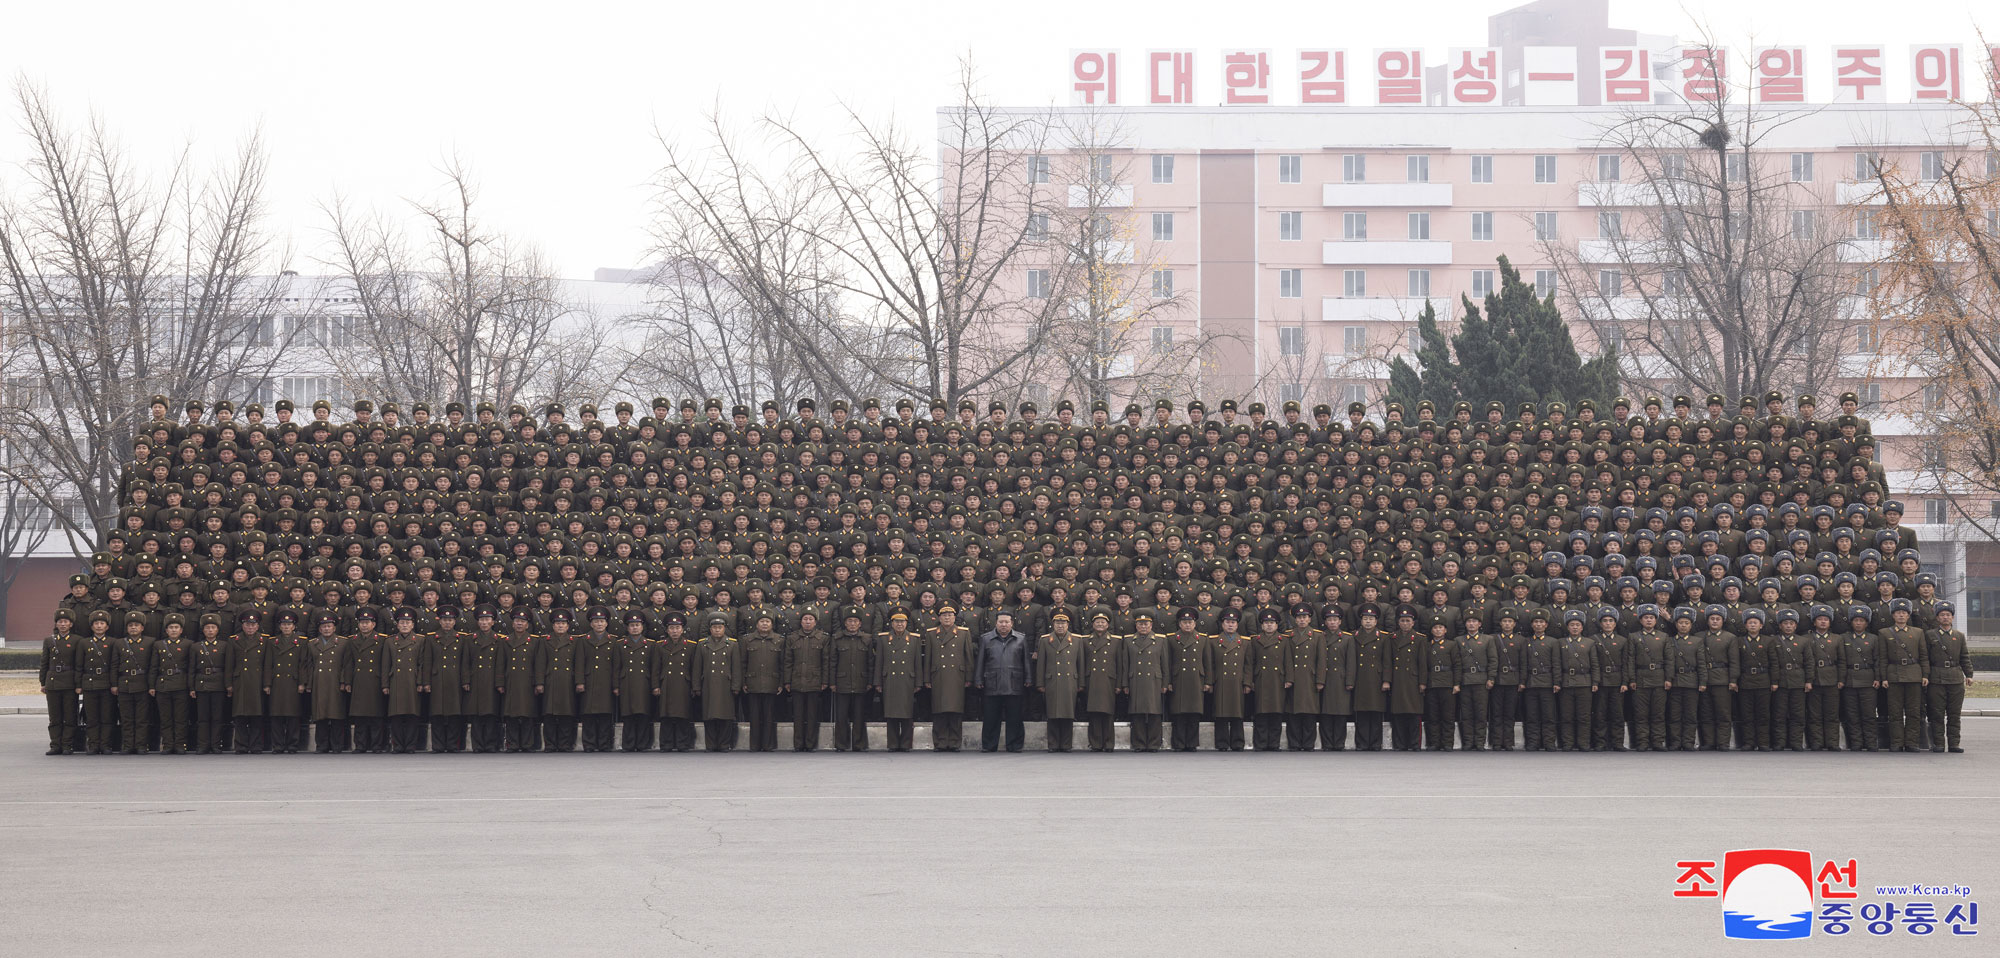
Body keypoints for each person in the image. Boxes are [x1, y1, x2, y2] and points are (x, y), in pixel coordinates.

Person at [922, 606, 974, 752]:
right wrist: (927, 678)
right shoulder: (932, 634)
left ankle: (954, 742)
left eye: (950, 615)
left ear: (954, 617)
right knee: (939, 711)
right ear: (939, 617)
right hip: (938, 676)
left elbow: (968, 657)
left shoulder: (963, 633)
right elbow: (928, 659)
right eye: (944, 615)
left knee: (955, 711)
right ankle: (940, 742)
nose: (947, 618)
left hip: (957, 676)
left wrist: (969, 677)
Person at [1924, 603, 1972, 753]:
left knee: (1954, 714)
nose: (1945, 617)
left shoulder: (1959, 636)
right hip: (1936, 678)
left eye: (1948, 615)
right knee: (1936, 713)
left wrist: (1969, 674)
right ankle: (1938, 743)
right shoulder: (1930, 635)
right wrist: (1925, 675)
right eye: (1942, 615)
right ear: (1937, 618)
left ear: (1952, 617)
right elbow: (1925, 657)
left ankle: (1954, 744)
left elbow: (1964, 656)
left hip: (1956, 678)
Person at [1121, 612, 1168, 752]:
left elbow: (1165, 663)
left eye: (1146, 624)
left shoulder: (1160, 640)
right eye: (1140, 624)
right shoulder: (1129, 640)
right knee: (1137, 712)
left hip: (1154, 680)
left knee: (1154, 713)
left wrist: (1165, 683)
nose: (1143, 626)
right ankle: (1139, 743)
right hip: (1135, 679)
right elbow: (1125, 664)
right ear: (1136, 625)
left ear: (1151, 625)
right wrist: (1125, 683)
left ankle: (1154, 744)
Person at [829, 609, 875, 752]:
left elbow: (871, 663)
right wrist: (832, 682)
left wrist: (870, 681)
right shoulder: (837, 638)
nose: (852, 624)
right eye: (850, 621)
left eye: (855, 621)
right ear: (845, 623)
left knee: (859, 715)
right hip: (842, 682)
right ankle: (841, 744)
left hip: (861, 682)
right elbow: (832, 662)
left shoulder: (867, 639)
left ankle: (859, 744)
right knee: (841, 716)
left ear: (860, 623)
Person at [1025, 612, 1072, 752]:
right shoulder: (1045, 640)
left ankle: (1066, 744)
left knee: (1068, 713)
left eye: (1063, 623)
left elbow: (1080, 663)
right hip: (1051, 680)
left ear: (1068, 624)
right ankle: (1053, 744)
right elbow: (1041, 664)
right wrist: (1040, 683)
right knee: (1052, 713)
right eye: (1057, 623)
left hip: (1070, 681)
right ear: (1053, 624)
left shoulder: (1076, 640)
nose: (1060, 626)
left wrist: (1080, 683)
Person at [785, 611, 831, 752]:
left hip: (814, 681)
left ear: (815, 622)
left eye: (811, 619)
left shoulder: (822, 638)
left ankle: (810, 744)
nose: (808, 622)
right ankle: (798, 744)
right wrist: (787, 681)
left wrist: (824, 680)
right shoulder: (792, 638)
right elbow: (787, 661)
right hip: (797, 680)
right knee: (798, 715)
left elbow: (826, 661)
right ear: (801, 621)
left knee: (812, 715)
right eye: (805, 619)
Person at [499, 611, 545, 753]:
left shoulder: (535, 641)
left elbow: (538, 664)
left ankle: (527, 743)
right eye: (517, 621)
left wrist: (539, 683)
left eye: (523, 621)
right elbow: (501, 664)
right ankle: (512, 744)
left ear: (527, 624)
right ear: (512, 624)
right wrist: (500, 683)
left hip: (527, 682)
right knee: (511, 715)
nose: (519, 624)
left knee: (527, 714)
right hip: (511, 681)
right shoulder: (506, 641)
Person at [874, 612, 921, 752]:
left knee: (907, 713)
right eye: (896, 621)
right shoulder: (883, 639)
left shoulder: (914, 639)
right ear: (891, 623)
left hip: (907, 679)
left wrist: (918, 682)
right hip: (890, 679)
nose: (899, 624)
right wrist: (878, 682)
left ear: (906, 623)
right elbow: (879, 662)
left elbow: (917, 662)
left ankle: (906, 743)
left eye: (902, 622)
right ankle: (893, 743)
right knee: (891, 712)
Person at [1626, 605, 1670, 752]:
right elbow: (1630, 659)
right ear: (1640, 620)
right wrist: (1632, 679)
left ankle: (1657, 741)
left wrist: (1668, 678)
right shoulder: (1634, 637)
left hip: (1659, 678)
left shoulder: (1663, 637)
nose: (1649, 620)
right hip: (1641, 678)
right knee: (1641, 713)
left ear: (1656, 620)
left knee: (1658, 712)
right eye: (1646, 618)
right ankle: (1643, 742)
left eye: (1651, 618)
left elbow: (1669, 660)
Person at [576, 610, 621, 752]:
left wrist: (616, 685)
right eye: (596, 621)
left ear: (607, 623)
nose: (599, 624)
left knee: (605, 714)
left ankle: (604, 744)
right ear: (591, 623)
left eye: (602, 621)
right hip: (589, 681)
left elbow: (616, 665)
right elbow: (579, 663)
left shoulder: (613, 640)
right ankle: (589, 744)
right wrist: (580, 682)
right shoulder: (584, 639)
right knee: (588, 714)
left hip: (606, 682)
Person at [694, 617, 741, 751]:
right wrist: (696, 686)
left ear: (724, 628)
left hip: (725, 685)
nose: (717, 630)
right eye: (714, 627)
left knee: (726, 716)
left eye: (720, 627)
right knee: (709, 716)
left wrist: (736, 686)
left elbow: (736, 667)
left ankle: (724, 744)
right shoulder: (702, 644)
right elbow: (697, 667)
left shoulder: (732, 644)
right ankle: (711, 744)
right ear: (710, 629)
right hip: (708, 684)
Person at [229, 610, 272, 754]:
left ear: (258, 626)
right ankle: (240, 745)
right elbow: (230, 664)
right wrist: (228, 684)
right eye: (247, 625)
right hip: (240, 681)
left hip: (257, 681)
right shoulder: (234, 640)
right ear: (242, 626)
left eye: (253, 625)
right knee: (239, 715)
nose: (250, 628)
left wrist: (267, 684)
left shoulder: (265, 640)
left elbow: (267, 664)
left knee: (256, 715)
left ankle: (256, 745)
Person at [1663, 608, 1706, 752]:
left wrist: (1702, 682)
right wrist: (1668, 679)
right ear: (1675, 624)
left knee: (1690, 714)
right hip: (1674, 681)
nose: (1683, 625)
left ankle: (1688, 742)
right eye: (1680, 622)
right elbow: (1667, 662)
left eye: (1686, 623)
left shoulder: (1697, 641)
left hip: (1691, 681)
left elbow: (1701, 663)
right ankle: (1675, 742)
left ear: (1691, 625)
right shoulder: (1669, 641)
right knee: (1674, 714)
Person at [653, 614, 698, 752]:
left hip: (683, 684)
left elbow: (694, 668)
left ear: (682, 629)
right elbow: (656, 668)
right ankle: (666, 744)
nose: (674, 631)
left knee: (682, 714)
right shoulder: (660, 646)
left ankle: (682, 743)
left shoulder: (691, 646)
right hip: (666, 683)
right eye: (671, 628)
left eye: (677, 628)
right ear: (667, 630)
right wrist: (655, 685)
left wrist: (694, 687)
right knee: (666, 715)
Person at [429, 608, 471, 753]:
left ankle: (453, 744)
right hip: (437, 679)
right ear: (439, 621)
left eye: (450, 620)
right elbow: (427, 662)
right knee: (437, 714)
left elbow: (465, 662)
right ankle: (438, 745)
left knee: (454, 714)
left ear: (454, 622)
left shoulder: (461, 638)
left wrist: (465, 680)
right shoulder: (431, 638)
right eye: (444, 620)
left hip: (455, 679)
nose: (447, 623)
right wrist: (425, 682)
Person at [1769, 609, 1812, 752]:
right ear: (1780, 625)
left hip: (1798, 680)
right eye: (1785, 623)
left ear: (1796, 626)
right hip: (1780, 681)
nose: (1788, 626)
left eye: (1791, 623)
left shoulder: (1803, 641)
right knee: (1779, 714)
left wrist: (1808, 681)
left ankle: (1796, 742)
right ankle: (1779, 742)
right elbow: (1772, 663)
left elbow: (1809, 662)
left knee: (1798, 714)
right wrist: (1774, 681)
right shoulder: (1773, 641)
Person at [1167, 608, 1209, 751]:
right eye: (1184, 622)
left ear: (1195, 624)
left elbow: (1207, 662)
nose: (1187, 625)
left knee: (1194, 712)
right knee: (1178, 713)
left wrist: (1208, 682)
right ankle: (1178, 743)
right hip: (1178, 679)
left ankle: (1191, 743)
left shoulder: (1202, 639)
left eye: (1190, 622)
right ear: (1179, 624)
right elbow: (1167, 662)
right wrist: (1168, 681)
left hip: (1196, 679)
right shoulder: (1172, 638)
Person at [1804, 606, 1845, 752]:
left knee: (1832, 713)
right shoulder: (1806, 638)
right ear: (1814, 622)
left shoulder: (1837, 639)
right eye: (1820, 619)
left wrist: (1841, 679)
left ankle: (1832, 742)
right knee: (1814, 713)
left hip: (1832, 678)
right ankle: (1816, 742)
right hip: (1814, 678)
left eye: (1826, 619)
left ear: (1830, 622)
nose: (1823, 622)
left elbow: (1841, 661)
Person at [112, 612, 154, 754]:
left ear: (142, 628)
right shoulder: (119, 643)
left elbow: (153, 666)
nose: (133, 628)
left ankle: (141, 745)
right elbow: (114, 665)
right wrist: (114, 684)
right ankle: (128, 744)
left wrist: (151, 685)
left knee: (142, 718)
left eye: (136, 625)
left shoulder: (150, 642)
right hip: (125, 684)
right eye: (130, 625)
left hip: (142, 684)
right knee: (126, 718)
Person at [40, 608, 81, 755]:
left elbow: (79, 665)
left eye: (65, 622)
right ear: (56, 624)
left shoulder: (77, 640)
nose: (63, 624)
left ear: (71, 624)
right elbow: (44, 662)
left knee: (70, 716)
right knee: (55, 717)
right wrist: (43, 682)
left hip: (69, 682)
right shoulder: (49, 640)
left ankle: (67, 745)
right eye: (60, 622)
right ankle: (55, 745)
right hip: (53, 682)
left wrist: (78, 684)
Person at [266, 612, 309, 754]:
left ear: (294, 626)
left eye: (289, 624)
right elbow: (268, 664)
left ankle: (292, 745)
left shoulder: (301, 641)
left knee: (293, 715)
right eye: (283, 624)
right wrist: (267, 684)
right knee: (276, 715)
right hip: (277, 682)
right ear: (279, 626)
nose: (286, 627)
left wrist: (302, 683)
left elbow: (303, 664)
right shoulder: (273, 642)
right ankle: (277, 745)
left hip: (293, 682)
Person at [1697, 606, 1739, 751]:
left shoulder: (1729, 637)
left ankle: (1723, 742)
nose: (1715, 622)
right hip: (1704, 678)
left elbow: (1734, 661)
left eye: (1718, 619)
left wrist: (1733, 680)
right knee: (1706, 712)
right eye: (1712, 619)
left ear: (1723, 621)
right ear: (1707, 621)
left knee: (1723, 713)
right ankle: (1708, 742)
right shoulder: (1699, 636)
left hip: (1722, 679)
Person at [1349, 605, 1391, 751]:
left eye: (1371, 619)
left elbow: (1387, 660)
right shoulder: (1353, 636)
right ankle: (1361, 743)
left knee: (1375, 711)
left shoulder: (1384, 637)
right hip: (1360, 677)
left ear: (1376, 621)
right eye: (1365, 618)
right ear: (1361, 620)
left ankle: (1375, 743)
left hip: (1376, 678)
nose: (1368, 621)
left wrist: (1386, 680)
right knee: (1361, 712)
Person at [191, 614, 233, 755]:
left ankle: (215, 744)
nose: (210, 630)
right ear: (203, 630)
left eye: (213, 627)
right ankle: (203, 744)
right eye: (207, 628)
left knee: (217, 717)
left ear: (217, 630)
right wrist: (191, 687)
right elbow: (191, 669)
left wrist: (228, 686)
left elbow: (228, 667)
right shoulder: (196, 647)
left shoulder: (224, 646)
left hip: (218, 684)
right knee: (202, 717)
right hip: (201, 684)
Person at [349, 609, 390, 753]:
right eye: (362, 623)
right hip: (359, 680)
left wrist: (385, 683)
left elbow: (385, 663)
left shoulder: (382, 639)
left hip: (375, 681)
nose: (364, 626)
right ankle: (360, 745)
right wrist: (347, 682)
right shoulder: (352, 640)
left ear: (373, 624)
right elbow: (349, 663)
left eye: (367, 623)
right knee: (360, 716)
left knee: (376, 716)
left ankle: (376, 745)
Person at [1840, 607, 1881, 752]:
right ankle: (1856, 743)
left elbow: (1877, 660)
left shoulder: (1873, 639)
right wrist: (1842, 679)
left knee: (1869, 714)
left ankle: (1870, 742)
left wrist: (1877, 678)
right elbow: (1842, 660)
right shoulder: (1844, 638)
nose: (1858, 623)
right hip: (1850, 679)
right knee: (1852, 714)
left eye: (1861, 621)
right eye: (1856, 620)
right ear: (1851, 623)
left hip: (1868, 679)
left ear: (1866, 623)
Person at [1387, 607, 1428, 751]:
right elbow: (1388, 661)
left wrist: (1423, 682)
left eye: (1408, 621)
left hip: (1412, 680)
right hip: (1398, 679)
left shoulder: (1419, 638)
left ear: (1413, 623)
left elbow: (1422, 662)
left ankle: (1414, 743)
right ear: (1398, 622)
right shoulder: (1392, 638)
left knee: (1414, 713)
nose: (1405, 623)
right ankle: (1399, 744)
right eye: (1402, 621)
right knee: (1398, 713)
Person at [464, 609, 504, 754]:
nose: (484, 623)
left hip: (491, 681)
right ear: (478, 622)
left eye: (487, 620)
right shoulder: (470, 639)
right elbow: (465, 662)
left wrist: (500, 683)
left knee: (490, 714)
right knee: (476, 715)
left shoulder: (499, 639)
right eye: (482, 620)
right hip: (475, 681)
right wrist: (465, 680)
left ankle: (491, 744)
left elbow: (500, 664)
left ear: (493, 622)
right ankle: (478, 745)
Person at [77, 611, 117, 755]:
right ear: (91, 626)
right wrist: (78, 685)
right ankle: (93, 744)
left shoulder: (113, 642)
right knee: (92, 717)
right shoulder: (84, 642)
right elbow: (79, 665)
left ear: (107, 627)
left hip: (106, 684)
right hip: (89, 683)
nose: (99, 626)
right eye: (96, 624)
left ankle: (105, 745)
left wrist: (114, 684)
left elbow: (114, 665)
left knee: (107, 717)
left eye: (102, 623)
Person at [539, 610, 580, 752]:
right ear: (553, 625)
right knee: (549, 715)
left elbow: (578, 664)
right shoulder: (546, 641)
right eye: (557, 623)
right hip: (550, 681)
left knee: (566, 714)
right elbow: (540, 663)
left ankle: (565, 744)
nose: (560, 626)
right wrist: (539, 683)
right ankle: (550, 744)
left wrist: (579, 682)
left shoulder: (574, 642)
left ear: (568, 626)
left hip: (567, 682)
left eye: (563, 623)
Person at [1082, 612, 1123, 751]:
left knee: (1108, 713)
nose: (1100, 624)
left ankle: (1108, 743)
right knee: (1093, 713)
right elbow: (1082, 663)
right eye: (1097, 622)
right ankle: (1095, 743)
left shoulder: (1116, 640)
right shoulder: (1085, 640)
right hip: (1091, 680)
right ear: (1092, 624)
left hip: (1109, 680)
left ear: (1108, 624)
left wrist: (1119, 684)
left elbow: (1119, 664)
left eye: (1103, 622)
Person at [1281, 607, 1321, 751]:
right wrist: (1288, 678)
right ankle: (1295, 743)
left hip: (1310, 677)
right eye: (1299, 617)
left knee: (1309, 712)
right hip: (1294, 678)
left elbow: (1321, 660)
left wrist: (1320, 680)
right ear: (1295, 619)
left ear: (1310, 619)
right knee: (1293, 712)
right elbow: (1286, 659)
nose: (1302, 620)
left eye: (1305, 617)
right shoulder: (1288, 635)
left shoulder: (1317, 636)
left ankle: (1308, 743)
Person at [616, 612, 656, 752]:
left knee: (643, 714)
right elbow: (616, 667)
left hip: (644, 683)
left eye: (637, 625)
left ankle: (642, 744)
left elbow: (654, 667)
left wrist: (654, 685)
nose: (634, 628)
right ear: (627, 628)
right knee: (628, 715)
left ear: (642, 627)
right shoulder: (621, 644)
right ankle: (629, 743)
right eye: (632, 625)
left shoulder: (650, 644)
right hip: (626, 683)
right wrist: (616, 685)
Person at [1454, 616, 1495, 751]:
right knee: (1466, 713)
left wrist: (1491, 678)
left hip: (1481, 680)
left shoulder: (1487, 639)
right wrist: (1457, 682)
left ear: (1480, 624)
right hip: (1465, 680)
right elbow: (1457, 663)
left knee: (1481, 713)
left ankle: (1479, 742)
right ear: (1465, 624)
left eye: (1474, 622)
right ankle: (1468, 741)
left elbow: (1493, 660)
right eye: (1469, 622)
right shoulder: (1459, 640)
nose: (1471, 624)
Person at [1488, 611, 1524, 750]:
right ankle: (1496, 741)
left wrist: (1522, 681)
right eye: (1504, 621)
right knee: (1496, 712)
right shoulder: (1493, 638)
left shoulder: (1520, 640)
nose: (1507, 624)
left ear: (1514, 624)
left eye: (1510, 621)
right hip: (1497, 680)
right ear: (1500, 623)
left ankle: (1508, 742)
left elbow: (1523, 663)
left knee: (1509, 713)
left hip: (1513, 680)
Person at [1421, 617, 1459, 751]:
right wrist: (1424, 683)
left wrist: (1456, 683)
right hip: (1432, 683)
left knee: (1448, 716)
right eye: (1435, 628)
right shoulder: (1426, 645)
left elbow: (1457, 665)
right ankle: (1434, 742)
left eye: (1441, 627)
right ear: (1431, 630)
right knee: (1433, 716)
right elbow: (1423, 666)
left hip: (1447, 683)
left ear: (1446, 630)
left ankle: (1448, 743)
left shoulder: (1451, 644)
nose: (1438, 630)